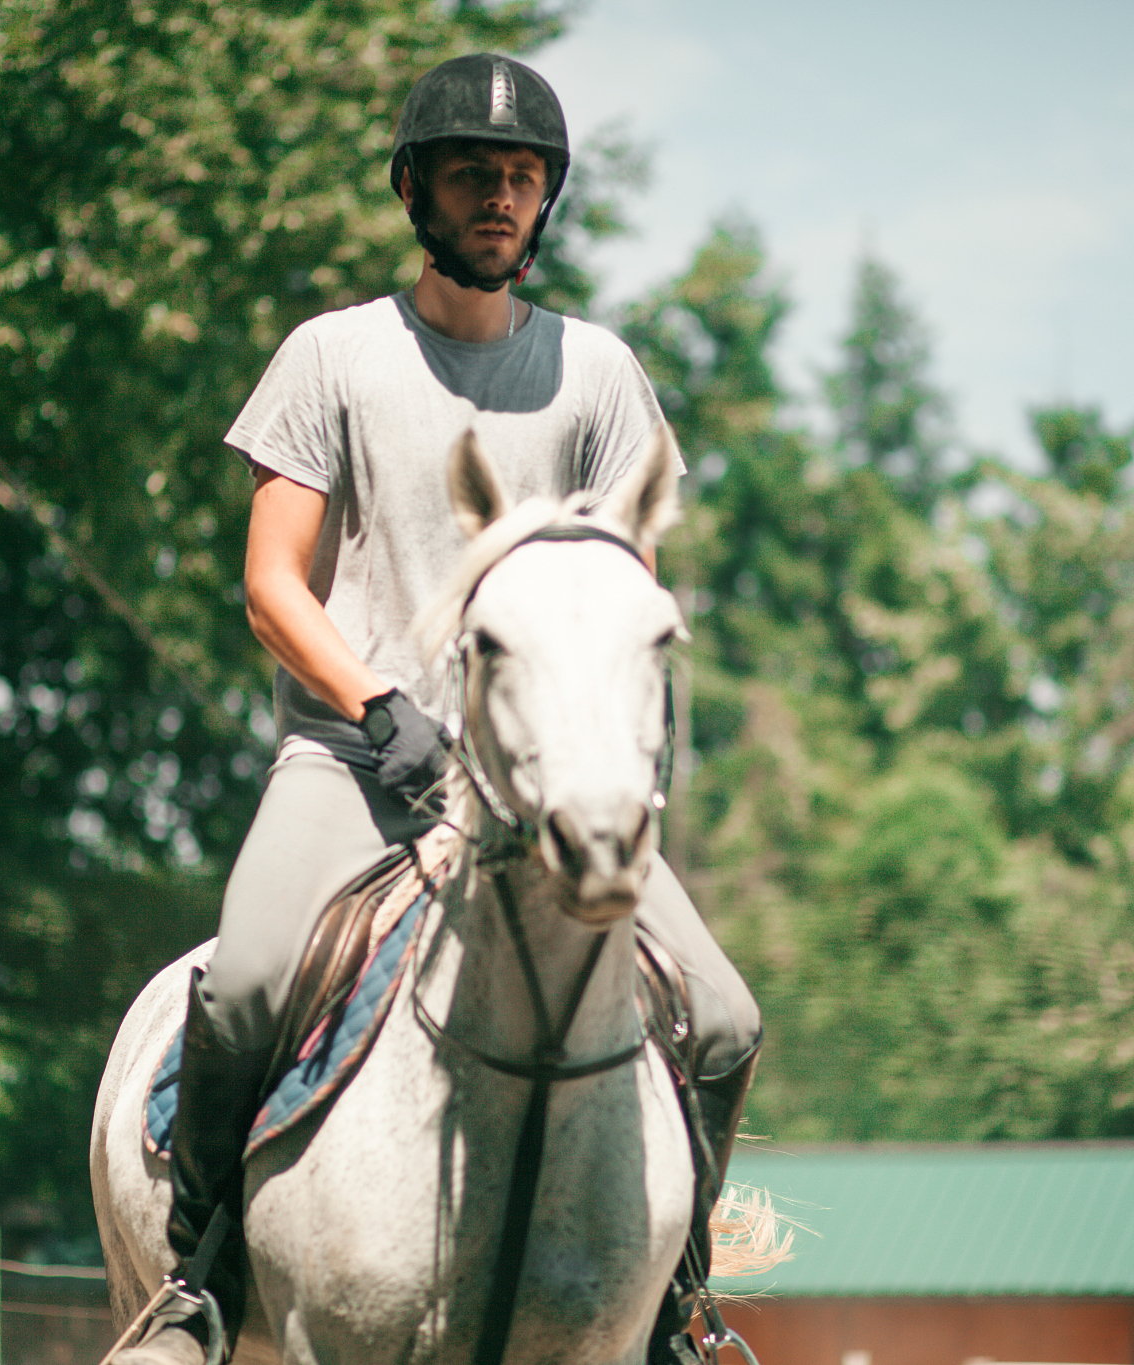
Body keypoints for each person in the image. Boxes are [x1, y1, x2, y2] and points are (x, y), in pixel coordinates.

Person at [114, 53, 761, 1365]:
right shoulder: (334, 357)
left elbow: (620, 591)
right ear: (415, 187)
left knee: (730, 1015)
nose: (501, 197)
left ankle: (679, 1304)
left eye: (523, 178)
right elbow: (269, 584)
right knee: (241, 983)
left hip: (537, 776)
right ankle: (195, 1288)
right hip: (351, 764)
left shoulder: (597, 376)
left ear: (546, 204)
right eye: (474, 172)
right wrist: (378, 704)